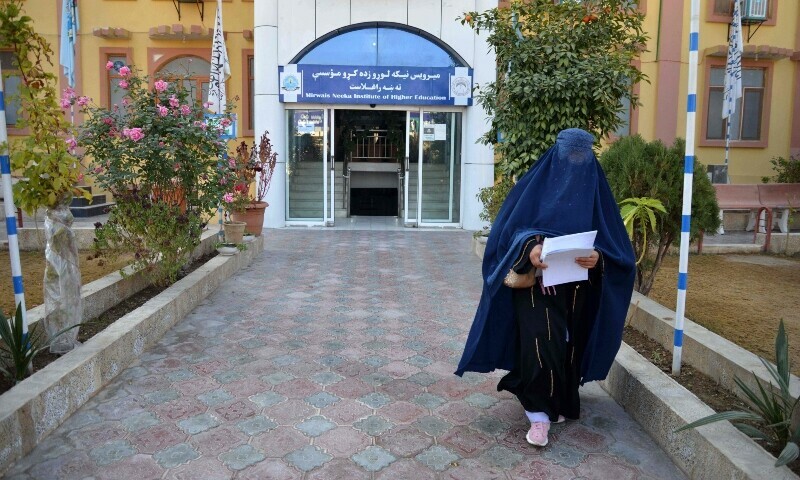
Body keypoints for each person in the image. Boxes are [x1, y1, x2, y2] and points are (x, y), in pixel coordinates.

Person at [455, 128, 635, 447]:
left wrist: (598, 257)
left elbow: (618, 250)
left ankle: (558, 402)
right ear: (557, 154)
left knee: (565, 349)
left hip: (578, 292)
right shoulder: (535, 187)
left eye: (583, 157)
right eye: (570, 156)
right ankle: (538, 416)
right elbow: (509, 233)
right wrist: (531, 248)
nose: (575, 165)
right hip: (537, 287)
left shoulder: (597, 195)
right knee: (542, 344)